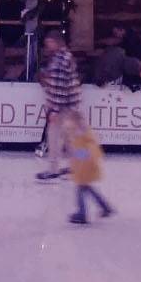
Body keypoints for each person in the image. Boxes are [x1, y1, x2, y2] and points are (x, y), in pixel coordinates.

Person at [35, 31, 81, 180]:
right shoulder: (64, 56)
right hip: (70, 105)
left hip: (63, 107)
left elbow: (60, 86)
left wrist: (54, 109)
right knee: (69, 139)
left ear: (56, 42)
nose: (47, 46)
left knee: (53, 137)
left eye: (49, 42)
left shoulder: (60, 60)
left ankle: (54, 168)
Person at [63, 113, 113, 225]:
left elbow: (88, 151)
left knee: (80, 189)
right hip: (83, 166)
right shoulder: (77, 133)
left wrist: (79, 158)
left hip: (86, 166)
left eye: (69, 122)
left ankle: (82, 213)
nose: (67, 125)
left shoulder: (84, 134)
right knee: (87, 188)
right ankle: (105, 207)